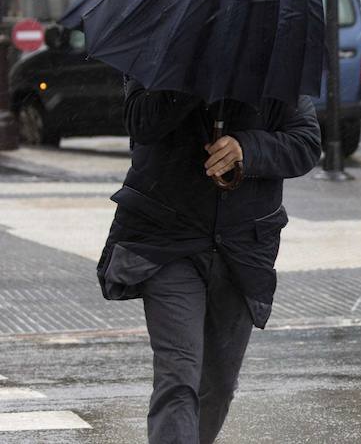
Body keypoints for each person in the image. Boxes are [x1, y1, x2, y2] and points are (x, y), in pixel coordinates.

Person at [97, 78, 321, 444]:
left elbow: (306, 144)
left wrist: (244, 147)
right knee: (178, 377)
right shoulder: (163, 50)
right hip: (169, 240)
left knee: (217, 386)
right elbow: (140, 123)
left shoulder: (272, 61)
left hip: (243, 246)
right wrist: (193, 79)